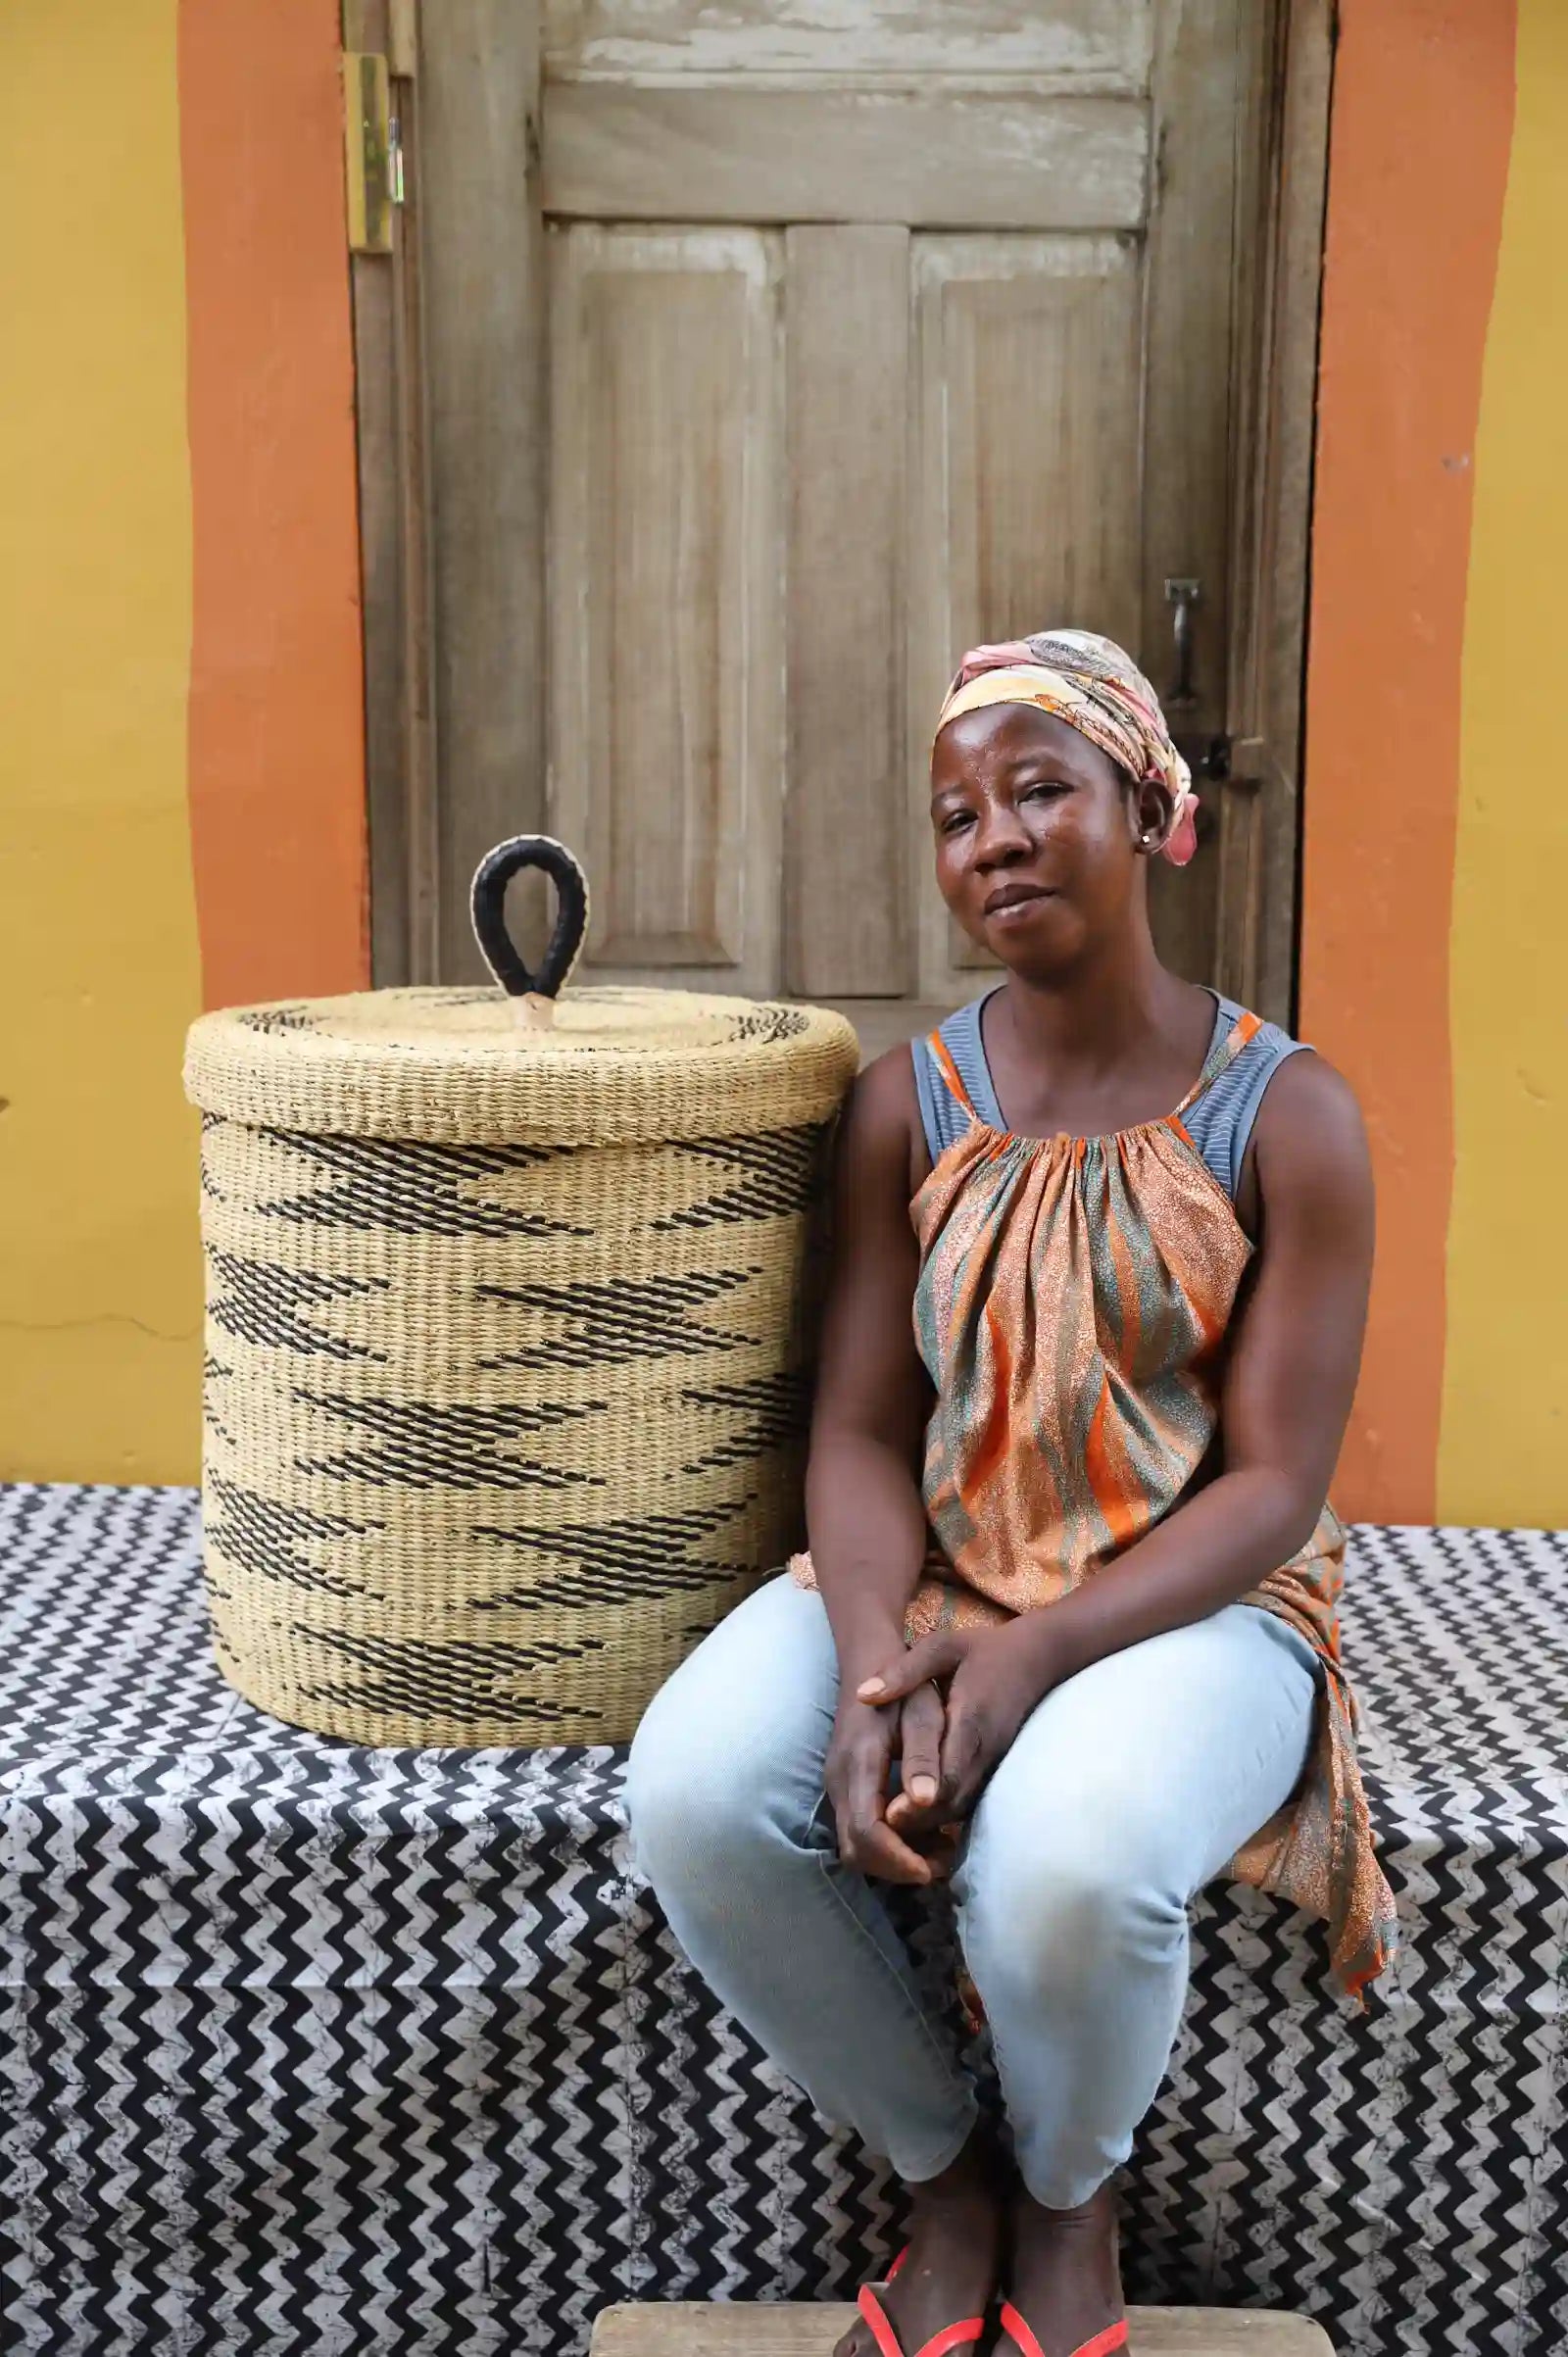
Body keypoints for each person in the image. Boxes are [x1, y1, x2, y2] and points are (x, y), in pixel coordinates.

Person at [627, 630, 1396, 2357]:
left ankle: (1068, 2199)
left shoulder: (1290, 1116)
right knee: (697, 1791)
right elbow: (856, 1430)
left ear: (1153, 810)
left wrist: (1034, 1656)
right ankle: (947, 2171)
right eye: (957, 814)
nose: (996, 838)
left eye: (1042, 789)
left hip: (1198, 1594)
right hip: (946, 1561)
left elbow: (1276, 1484)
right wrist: (873, 1672)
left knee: (1070, 1860)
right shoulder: (908, 1104)